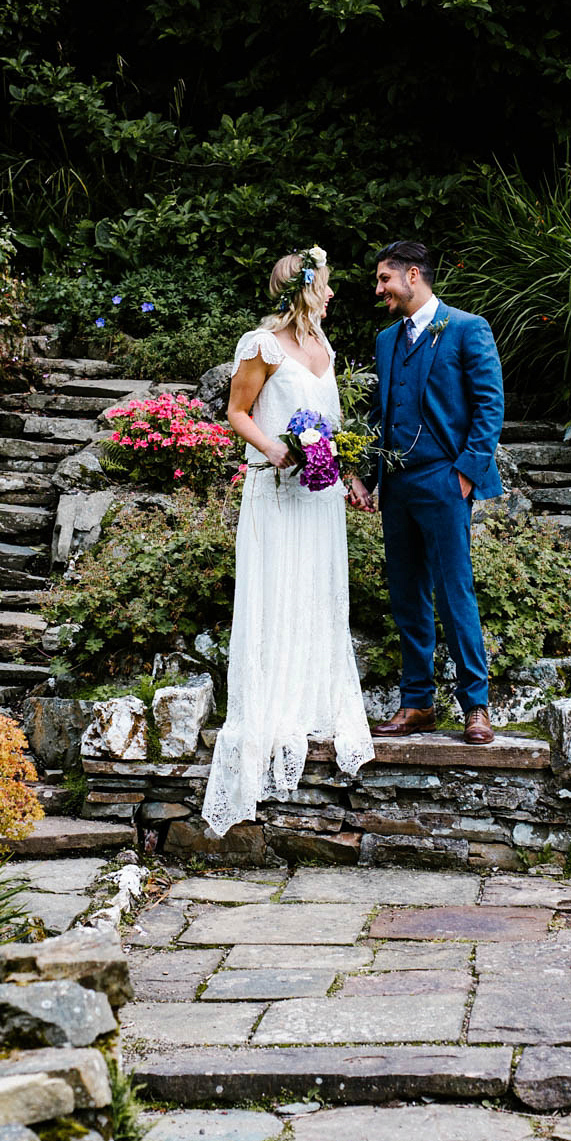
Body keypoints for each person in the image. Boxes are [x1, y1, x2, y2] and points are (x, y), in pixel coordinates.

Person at [201, 246, 374, 836]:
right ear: (303, 289)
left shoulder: (325, 350)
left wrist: (349, 476)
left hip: (320, 496)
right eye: (324, 285)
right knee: (279, 589)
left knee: (317, 590)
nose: (331, 295)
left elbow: (335, 429)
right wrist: (273, 448)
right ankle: (273, 705)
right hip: (276, 491)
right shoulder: (261, 345)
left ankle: (312, 697)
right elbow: (237, 410)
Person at [348, 240, 505, 746]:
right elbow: (380, 415)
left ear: (413, 276)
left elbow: (489, 405)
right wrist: (368, 477)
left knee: (455, 592)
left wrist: (466, 474)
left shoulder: (466, 327)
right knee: (407, 596)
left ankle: (475, 707)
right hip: (397, 486)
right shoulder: (387, 338)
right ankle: (417, 703)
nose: (379, 290)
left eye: (385, 280)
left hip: (444, 479)